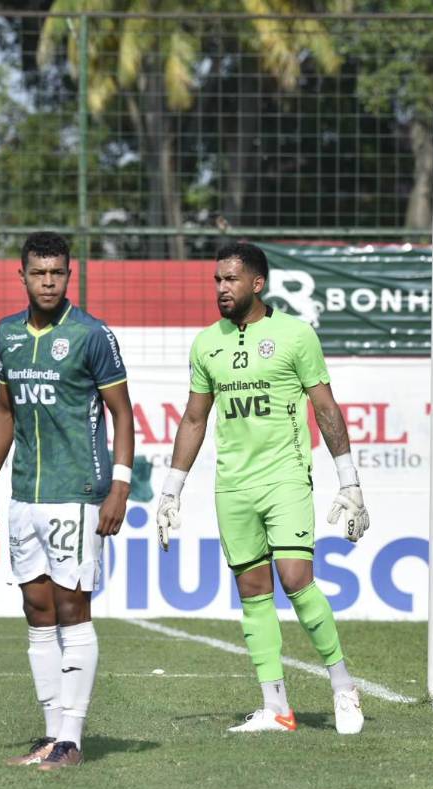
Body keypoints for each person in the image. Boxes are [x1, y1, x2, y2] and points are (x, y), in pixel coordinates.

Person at [156, 241, 370, 735]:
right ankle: (277, 707)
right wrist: (171, 489)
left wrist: (350, 482)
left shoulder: (295, 335)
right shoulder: (206, 343)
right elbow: (193, 417)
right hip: (233, 486)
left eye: (230, 280)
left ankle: (342, 686)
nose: (221, 289)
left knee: (296, 578)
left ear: (257, 283)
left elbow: (327, 409)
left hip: (285, 478)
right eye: (217, 280)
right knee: (253, 592)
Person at [0, 231, 133, 770]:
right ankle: (49, 736)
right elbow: (4, 411)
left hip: (78, 495)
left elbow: (123, 413)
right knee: (36, 611)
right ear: (22, 275)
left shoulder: (92, 335)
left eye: (58, 272)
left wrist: (121, 484)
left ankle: (72, 738)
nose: (49, 281)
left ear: (70, 275)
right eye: (39, 272)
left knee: (72, 609)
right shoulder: (7, 334)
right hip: (25, 497)